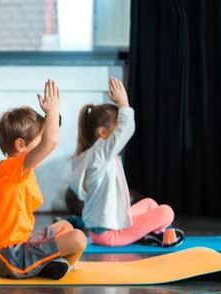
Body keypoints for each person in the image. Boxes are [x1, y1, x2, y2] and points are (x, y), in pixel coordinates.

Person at [0, 80, 87, 280]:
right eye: (38, 141)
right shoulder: (11, 168)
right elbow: (50, 142)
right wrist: (53, 111)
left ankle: (49, 265)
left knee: (65, 226)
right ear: (21, 145)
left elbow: (47, 141)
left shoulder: (22, 172)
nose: (42, 148)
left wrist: (50, 118)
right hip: (8, 256)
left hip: (22, 244)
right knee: (78, 238)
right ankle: (58, 264)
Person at [70, 77, 185, 247]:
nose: (118, 135)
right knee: (166, 212)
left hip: (104, 227)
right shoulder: (100, 152)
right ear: (102, 132)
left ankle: (152, 235)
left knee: (150, 204)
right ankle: (158, 235)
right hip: (109, 234)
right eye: (115, 128)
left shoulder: (95, 153)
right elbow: (127, 128)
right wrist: (123, 103)